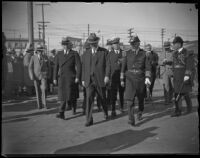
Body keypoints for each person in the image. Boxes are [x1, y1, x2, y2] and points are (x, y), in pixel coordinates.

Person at [121, 36, 151, 126]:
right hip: (129, 79)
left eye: (134, 43)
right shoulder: (126, 53)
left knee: (141, 98)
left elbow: (148, 67)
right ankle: (131, 119)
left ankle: (140, 111)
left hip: (140, 79)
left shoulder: (144, 54)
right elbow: (123, 68)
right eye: (131, 44)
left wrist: (147, 78)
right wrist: (122, 79)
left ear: (138, 43)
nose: (132, 45)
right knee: (129, 100)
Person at [82, 33, 110, 126]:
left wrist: (106, 76)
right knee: (89, 99)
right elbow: (84, 67)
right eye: (91, 43)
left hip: (100, 79)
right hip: (89, 81)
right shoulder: (86, 54)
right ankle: (89, 119)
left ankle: (105, 112)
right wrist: (83, 79)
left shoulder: (104, 52)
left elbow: (108, 66)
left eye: (94, 42)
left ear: (97, 42)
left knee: (102, 98)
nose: (93, 44)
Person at [53, 37, 81, 119]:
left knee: (71, 95)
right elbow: (56, 67)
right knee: (63, 96)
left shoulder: (74, 53)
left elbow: (79, 66)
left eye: (66, 44)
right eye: (63, 45)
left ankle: (73, 108)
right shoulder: (59, 54)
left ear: (69, 45)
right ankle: (61, 112)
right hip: (62, 77)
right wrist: (54, 78)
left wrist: (77, 77)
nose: (64, 46)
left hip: (71, 77)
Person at [169, 36, 195, 117]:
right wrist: (172, 72)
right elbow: (174, 64)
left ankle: (189, 109)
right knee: (177, 94)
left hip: (184, 76)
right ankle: (178, 111)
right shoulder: (174, 53)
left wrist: (187, 75)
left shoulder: (187, 52)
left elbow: (190, 65)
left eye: (174, 44)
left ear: (179, 44)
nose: (173, 45)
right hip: (177, 77)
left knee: (185, 94)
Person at [108, 37, 125, 117]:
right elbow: (108, 66)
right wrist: (107, 76)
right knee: (113, 94)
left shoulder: (123, 53)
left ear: (119, 44)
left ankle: (121, 107)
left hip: (122, 77)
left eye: (117, 44)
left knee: (122, 93)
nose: (116, 45)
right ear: (112, 45)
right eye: (114, 44)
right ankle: (113, 109)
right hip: (113, 77)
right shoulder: (109, 54)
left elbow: (126, 65)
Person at [29, 44, 49, 109]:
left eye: (41, 50)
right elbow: (30, 67)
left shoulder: (45, 57)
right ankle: (39, 105)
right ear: (37, 51)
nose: (40, 52)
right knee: (37, 91)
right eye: (39, 50)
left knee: (44, 89)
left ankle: (45, 104)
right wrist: (31, 75)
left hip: (43, 76)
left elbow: (49, 66)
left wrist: (48, 73)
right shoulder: (33, 57)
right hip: (36, 76)